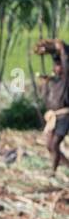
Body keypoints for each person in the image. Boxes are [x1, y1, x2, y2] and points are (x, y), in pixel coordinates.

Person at [39, 39, 69, 173]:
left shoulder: (65, 80)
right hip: (54, 118)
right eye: (55, 65)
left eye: (59, 65)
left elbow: (66, 62)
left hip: (64, 117)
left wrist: (62, 50)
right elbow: (46, 100)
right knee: (49, 146)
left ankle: (53, 172)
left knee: (54, 144)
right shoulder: (54, 81)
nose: (56, 68)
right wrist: (45, 83)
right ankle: (65, 165)